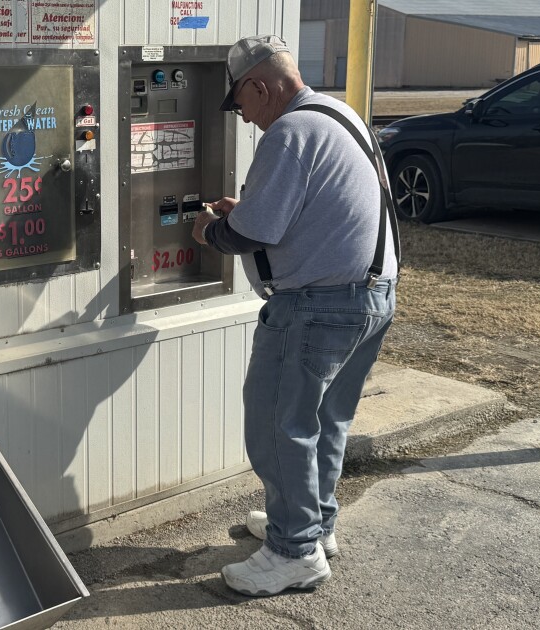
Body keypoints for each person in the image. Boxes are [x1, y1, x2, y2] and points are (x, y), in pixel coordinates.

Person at [191, 34, 399, 597]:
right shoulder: (337, 114)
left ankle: (293, 551)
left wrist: (210, 229)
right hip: (371, 297)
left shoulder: (289, 130)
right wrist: (252, 212)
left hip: (317, 306)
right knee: (323, 420)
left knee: (277, 425)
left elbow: (250, 232)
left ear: (259, 87)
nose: (245, 119)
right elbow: (299, 211)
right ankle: (313, 526)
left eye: (240, 106)